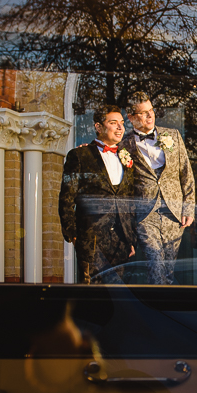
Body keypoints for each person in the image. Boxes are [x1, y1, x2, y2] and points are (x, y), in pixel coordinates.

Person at [120, 91, 195, 284]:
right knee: (155, 261)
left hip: (174, 211)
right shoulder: (124, 145)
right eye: (143, 113)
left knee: (168, 268)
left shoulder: (173, 135)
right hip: (146, 214)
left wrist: (188, 207)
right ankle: (158, 303)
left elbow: (186, 174)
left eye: (151, 110)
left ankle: (164, 305)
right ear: (131, 118)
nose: (150, 116)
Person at [58, 105, 137, 283]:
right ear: (99, 127)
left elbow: (129, 200)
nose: (120, 127)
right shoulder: (80, 155)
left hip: (120, 239)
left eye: (122, 123)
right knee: (91, 293)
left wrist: (130, 237)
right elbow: (67, 197)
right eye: (113, 123)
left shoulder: (126, 156)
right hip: (91, 237)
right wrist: (73, 234)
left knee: (118, 295)